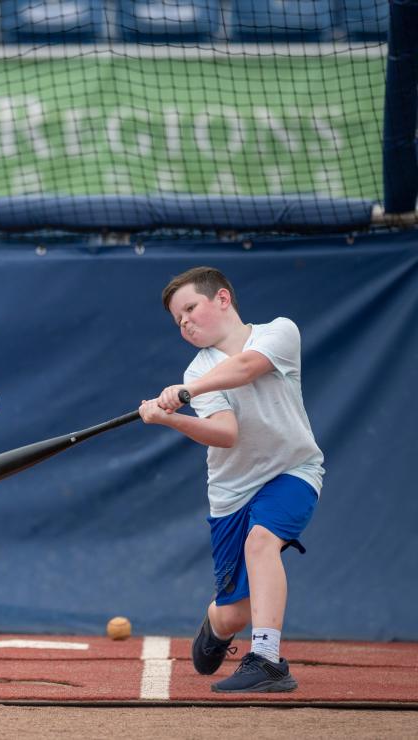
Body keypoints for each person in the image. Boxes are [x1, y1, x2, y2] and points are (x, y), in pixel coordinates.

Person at [138, 266, 323, 693]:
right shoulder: (196, 371)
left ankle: (267, 659)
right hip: (231, 492)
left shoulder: (279, 332)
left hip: (293, 470)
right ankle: (218, 628)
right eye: (177, 319)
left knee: (262, 541)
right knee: (234, 613)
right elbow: (226, 433)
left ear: (222, 299)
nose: (183, 321)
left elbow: (245, 368)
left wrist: (188, 393)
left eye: (189, 308)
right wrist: (173, 420)